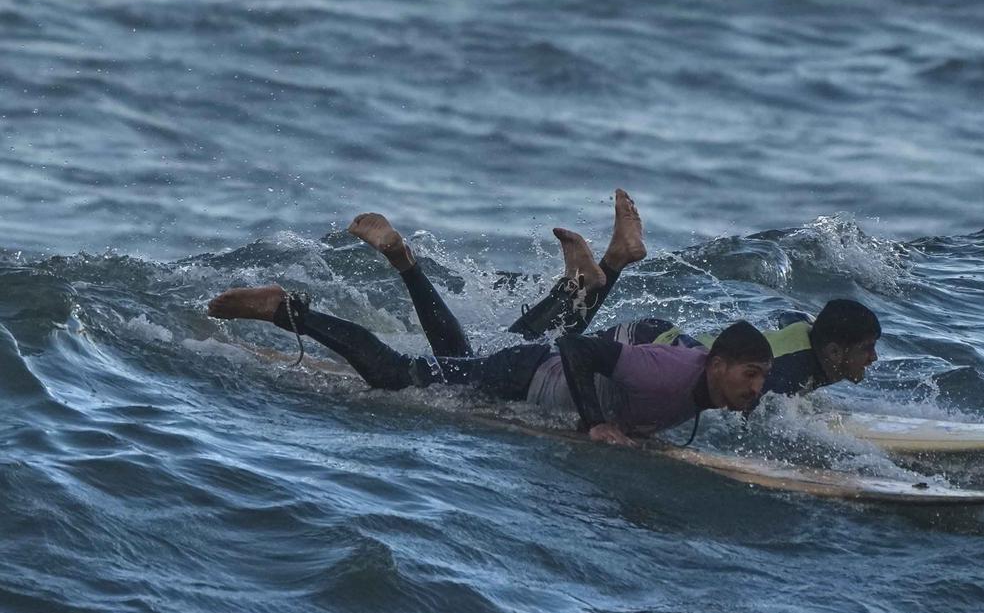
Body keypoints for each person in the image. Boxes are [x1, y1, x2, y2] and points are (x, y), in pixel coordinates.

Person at [207, 192, 771, 446]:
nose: (758, 387)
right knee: (394, 376)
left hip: (532, 367)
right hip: (523, 376)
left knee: (459, 358)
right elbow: (581, 354)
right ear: (718, 364)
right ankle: (285, 309)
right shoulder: (668, 375)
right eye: (750, 375)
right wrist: (595, 423)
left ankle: (598, 274)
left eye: (761, 378)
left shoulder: (700, 377)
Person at [338, 189, 881, 401]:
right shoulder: (785, 376)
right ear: (833, 351)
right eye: (865, 351)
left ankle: (606, 268)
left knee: (488, 353)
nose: (871, 362)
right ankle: (403, 260)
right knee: (470, 364)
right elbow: (743, 410)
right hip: (663, 349)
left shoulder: (802, 328)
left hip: (665, 339)